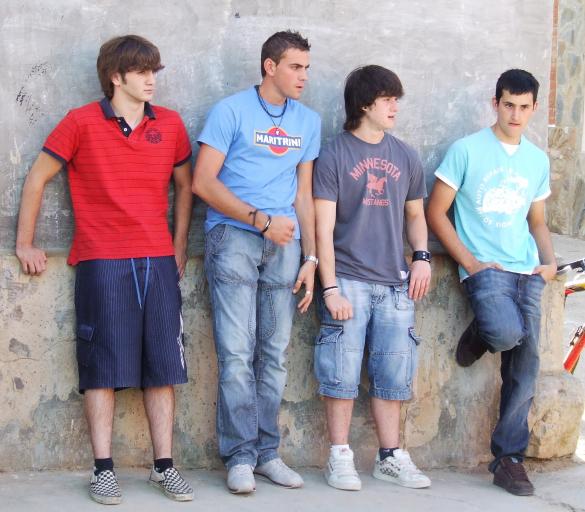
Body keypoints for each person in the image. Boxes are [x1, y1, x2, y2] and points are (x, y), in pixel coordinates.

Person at [15, 35, 194, 505]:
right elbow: (37, 177)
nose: (152, 80)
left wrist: (178, 246)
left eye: (154, 71)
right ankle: (103, 470)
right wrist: (25, 242)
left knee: (163, 365)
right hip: (101, 258)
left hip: (157, 260)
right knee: (101, 367)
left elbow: (185, 186)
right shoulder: (79, 122)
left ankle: (164, 467)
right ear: (116, 77)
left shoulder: (170, 124)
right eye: (142, 72)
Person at [192, 30, 321, 494]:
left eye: (306, 68)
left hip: (286, 245)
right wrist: (261, 221)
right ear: (270, 66)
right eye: (295, 67)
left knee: (275, 353)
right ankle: (240, 456)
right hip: (235, 238)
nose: (303, 76)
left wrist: (311, 256)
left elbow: (304, 195)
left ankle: (267, 454)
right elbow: (203, 182)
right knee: (236, 353)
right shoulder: (230, 111)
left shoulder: (308, 121)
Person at [427, 69, 556, 496]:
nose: (515, 115)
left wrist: (549, 263)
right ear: (495, 103)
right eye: (508, 105)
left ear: (534, 109)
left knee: (526, 366)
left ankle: (508, 459)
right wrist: (470, 262)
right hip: (486, 270)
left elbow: (536, 220)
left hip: (527, 271)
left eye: (524, 107)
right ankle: (484, 332)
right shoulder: (466, 150)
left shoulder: (537, 160)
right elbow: (435, 212)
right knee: (504, 333)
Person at [313, 65, 432, 491]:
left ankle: (390, 456)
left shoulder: (406, 155)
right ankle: (339, 455)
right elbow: (323, 228)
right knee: (340, 372)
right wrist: (330, 287)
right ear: (365, 104)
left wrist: (422, 257)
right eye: (387, 99)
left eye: (396, 99)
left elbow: (415, 215)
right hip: (347, 279)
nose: (394, 107)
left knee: (394, 374)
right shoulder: (334, 155)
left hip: (395, 283)